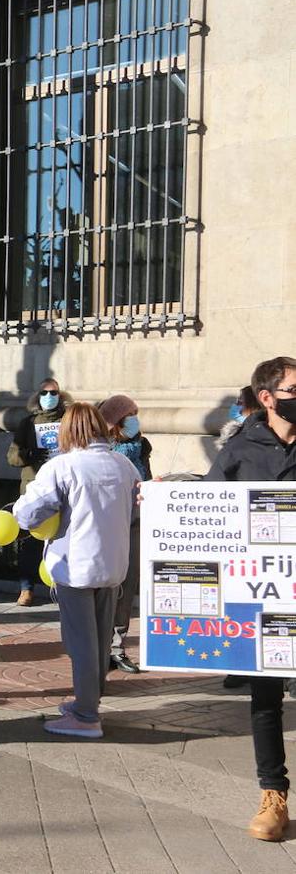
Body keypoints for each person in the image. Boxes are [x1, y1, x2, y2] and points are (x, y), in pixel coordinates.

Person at [205, 357, 296, 841]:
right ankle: (273, 796)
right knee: (265, 698)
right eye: (294, 389)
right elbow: (207, 506)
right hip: (263, 596)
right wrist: (161, 503)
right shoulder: (241, 448)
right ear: (268, 397)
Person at [14, 402, 139, 739]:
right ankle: (90, 699)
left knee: (81, 643)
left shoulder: (63, 466)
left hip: (76, 566)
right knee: (99, 639)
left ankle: (86, 715)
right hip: (113, 564)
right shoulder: (123, 464)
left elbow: (28, 514)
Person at [98, 394, 152, 675]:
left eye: (136, 413)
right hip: (108, 524)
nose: (134, 419)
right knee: (107, 588)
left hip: (135, 521)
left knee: (128, 586)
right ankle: (99, 647)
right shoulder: (102, 448)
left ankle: (117, 647)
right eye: (129, 414)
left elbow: (147, 478)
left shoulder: (141, 445)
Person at [7, 377, 69, 606]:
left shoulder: (68, 420)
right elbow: (12, 457)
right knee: (30, 540)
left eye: (53, 393)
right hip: (34, 487)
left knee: (63, 537)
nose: (49, 398)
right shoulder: (28, 423)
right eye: (44, 393)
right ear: (37, 397)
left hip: (64, 486)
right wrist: (30, 455)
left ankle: (62, 587)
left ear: (61, 396)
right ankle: (26, 588)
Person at [218, 386, 261, 451]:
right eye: (237, 401)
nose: (235, 405)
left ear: (251, 405)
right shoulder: (232, 433)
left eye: (240, 401)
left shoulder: (259, 434)